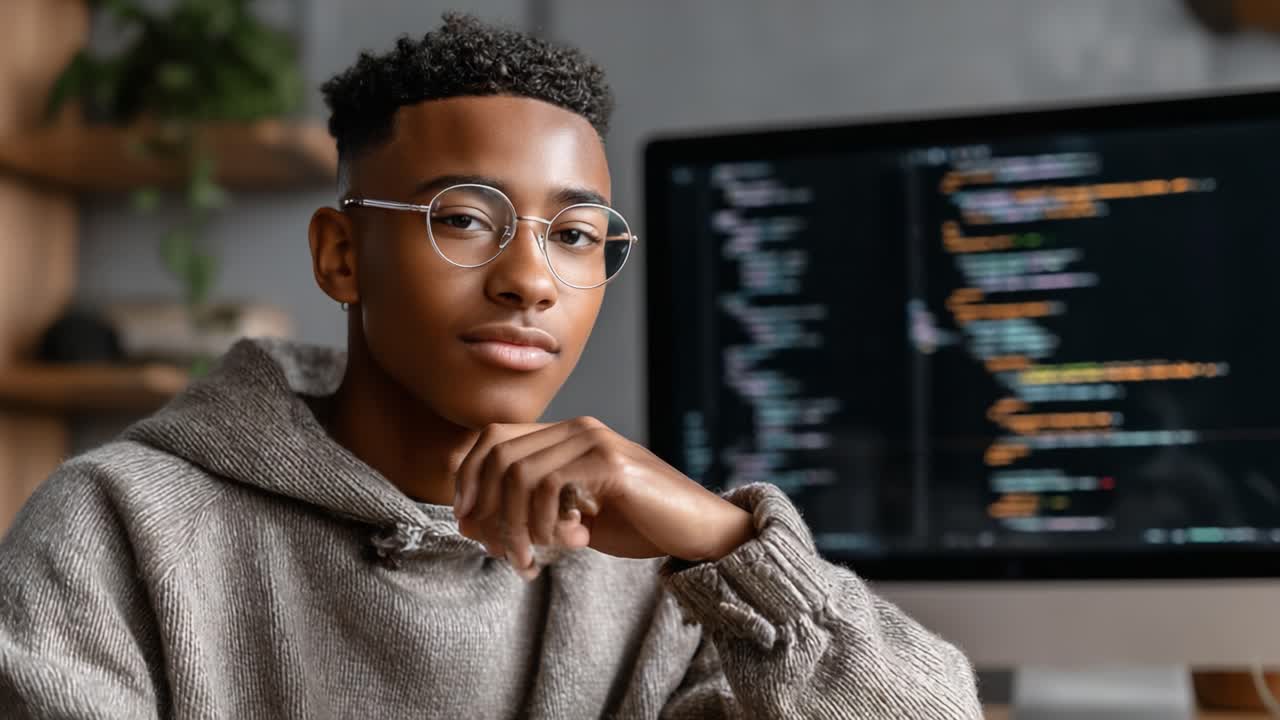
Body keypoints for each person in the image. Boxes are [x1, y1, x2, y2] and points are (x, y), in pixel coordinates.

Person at [0, 14, 980, 719]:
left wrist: (731, 546)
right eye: (464, 219)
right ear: (341, 255)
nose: (528, 279)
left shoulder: (660, 574)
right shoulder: (115, 529)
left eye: (575, 234)